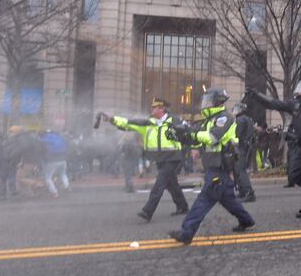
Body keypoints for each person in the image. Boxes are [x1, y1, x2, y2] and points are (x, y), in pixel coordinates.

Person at [168, 88, 255, 244]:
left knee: (204, 200)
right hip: (214, 166)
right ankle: (247, 220)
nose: (205, 103)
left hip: (220, 166)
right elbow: (196, 139)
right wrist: (179, 136)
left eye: (208, 100)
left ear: (218, 102)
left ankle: (186, 232)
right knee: (229, 200)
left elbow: (212, 137)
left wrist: (189, 131)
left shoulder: (224, 118)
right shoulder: (209, 120)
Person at [247, 79, 301, 218]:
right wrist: (256, 95)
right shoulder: (295, 105)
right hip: (300, 146)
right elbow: (274, 104)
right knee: (294, 175)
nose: (299, 89)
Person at [101, 98, 189, 222]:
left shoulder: (175, 120)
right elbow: (128, 123)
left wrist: (192, 146)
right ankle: (182, 206)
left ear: (162, 108)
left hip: (173, 157)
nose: (151, 109)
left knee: (160, 183)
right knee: (171, 184)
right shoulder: (148, 123)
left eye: (154, 107)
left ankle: (148, 210)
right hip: (160, 158)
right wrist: (112, 119)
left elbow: (188, 132)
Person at [233, 102, 256, 202]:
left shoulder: (240, 120)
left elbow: (236, 134)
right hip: (248, 147)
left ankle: (248, 192)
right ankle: (243, 192)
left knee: (240, 170)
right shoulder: (247, 119)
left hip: (242, 147)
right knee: (239, 169)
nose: (233, 110)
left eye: (235, 108)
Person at [40, 129, 70, 198]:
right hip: (63, 160)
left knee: (48, 177)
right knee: (63, 173)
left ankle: (54, 192)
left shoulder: (44, 139)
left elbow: (42, 150)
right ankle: (67, 186)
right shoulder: (59, 137)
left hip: (52, 161)